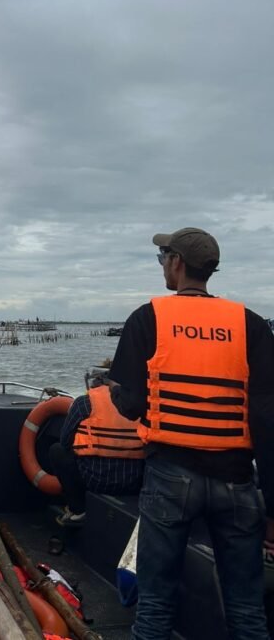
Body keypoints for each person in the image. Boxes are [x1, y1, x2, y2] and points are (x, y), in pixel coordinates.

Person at [109, 227, 274, 640]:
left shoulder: (148, 317)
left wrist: (113, 391)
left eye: (163, 255)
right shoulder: (251, 325)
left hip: (170, 475)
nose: (163, 263)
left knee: (155, 606)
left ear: (177, 263)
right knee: (247, 611)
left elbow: (131, 404)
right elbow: (268, 418)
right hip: (237, 480)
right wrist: (271, 504)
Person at [49, 360, 144, 528]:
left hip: (96, 479)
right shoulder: (141, 404)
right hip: (135, 481)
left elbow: (65, 442)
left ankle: (78, 510)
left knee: (58, 451)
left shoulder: (84, 403)